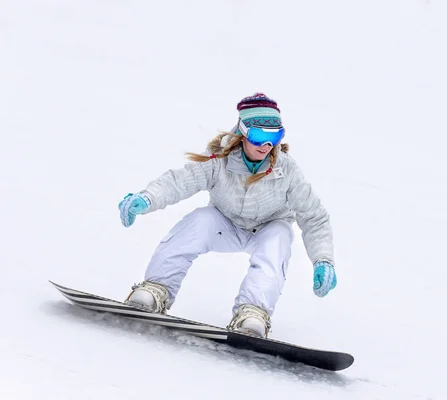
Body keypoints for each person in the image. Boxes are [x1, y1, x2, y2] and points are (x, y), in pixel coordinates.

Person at [117, 93, 337, 338]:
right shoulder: (218, 161)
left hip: (267, 228)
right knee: (201, 220)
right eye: (260, 136)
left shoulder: (287, 171)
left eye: (274, 136)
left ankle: (252, 312)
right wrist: (146, 198)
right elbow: (179, 182)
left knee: (280, 236)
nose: (266, 145)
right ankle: (157, 289)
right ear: (243, 133)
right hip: (225, 224)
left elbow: (313, 217)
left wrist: (323, 260)